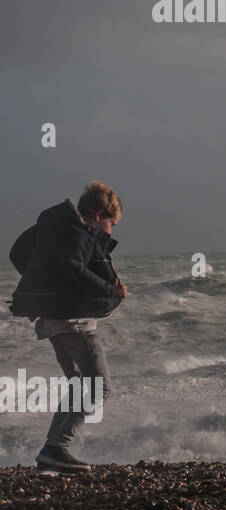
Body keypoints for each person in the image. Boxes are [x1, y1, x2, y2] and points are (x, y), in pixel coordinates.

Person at [8, 181, 127, 473]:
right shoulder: (80, 236)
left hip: (55, 323)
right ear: (99, 215)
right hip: (75, 326)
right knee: (99, 387)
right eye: (111, 223)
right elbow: (73, 266)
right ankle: (57, 447)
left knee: (76, 386)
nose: (110, 230)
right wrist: (109, 290)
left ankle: (50, 453)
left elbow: (20, 256)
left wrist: (44, 296)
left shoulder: (59, 234)